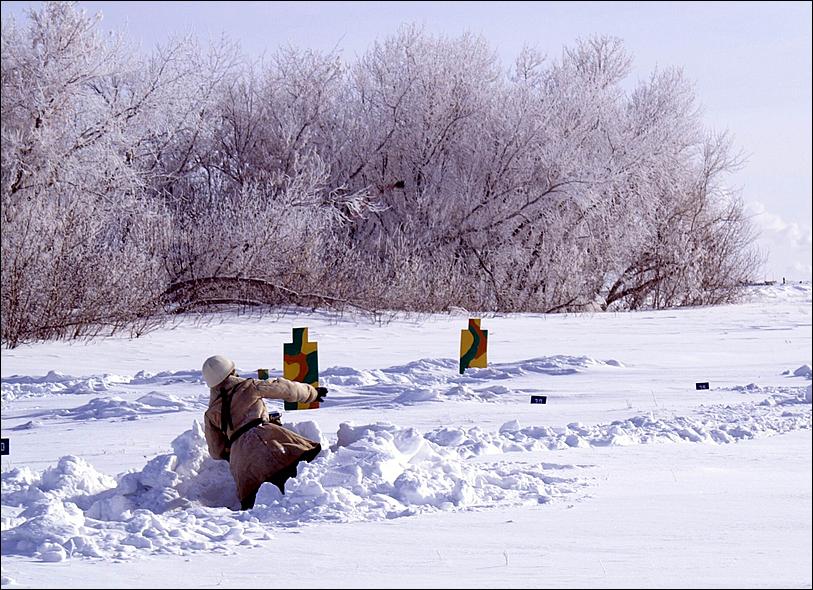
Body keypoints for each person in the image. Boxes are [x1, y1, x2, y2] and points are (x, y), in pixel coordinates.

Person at [201, 355, 328, 509]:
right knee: (302, 464)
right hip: (266, 438)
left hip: (240, 462)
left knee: (258, 500)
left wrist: (234, 451)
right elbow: (285, 389)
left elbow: (216, 451)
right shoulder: (249, 386)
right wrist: (312, 393)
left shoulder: (210, 413)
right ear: (232, 372)